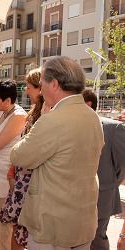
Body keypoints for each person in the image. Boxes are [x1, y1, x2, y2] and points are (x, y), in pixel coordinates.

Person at [10, 56, 104, 250]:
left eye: (42, 81)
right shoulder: (93, 117)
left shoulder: (52, 120)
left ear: (54, 84)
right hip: (83, 221)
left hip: (53, 225)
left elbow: (18, 156)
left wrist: (41, 123)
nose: (40, 88)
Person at [0, 68, 47, 250]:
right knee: (18, 227)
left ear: (39, 88)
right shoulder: (36, 110)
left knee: (22, 228)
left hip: (29, 180)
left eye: (28, 87)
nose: (26, 91)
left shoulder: (45, 114)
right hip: (22, 176)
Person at [0, 80, 27, 250]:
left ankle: (5, 246)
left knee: (6, 214)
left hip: (7, 172)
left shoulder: (18, 116)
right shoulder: (0, 112)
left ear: (8, 100)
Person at [82, 89, 125, 250]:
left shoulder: (112, 128)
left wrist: (110, 182)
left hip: (101, 197)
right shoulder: (70, 126)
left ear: (88, 104)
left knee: (97, 239)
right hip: (73, 196)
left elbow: (123, 164)